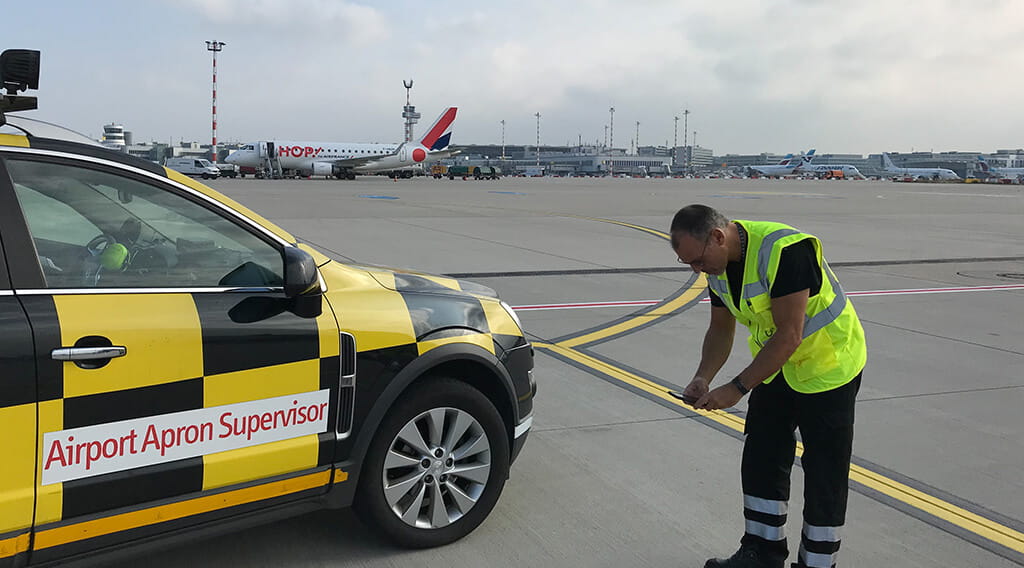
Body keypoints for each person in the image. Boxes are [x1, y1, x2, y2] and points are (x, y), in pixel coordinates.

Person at [670, 204, 866, 568]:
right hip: (776, 369)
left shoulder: (785, 250)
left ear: (717, 237)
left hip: (828, 366)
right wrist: (704, 377)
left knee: (825, 472)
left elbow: (790, 335)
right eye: (689, 265)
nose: (697, 270)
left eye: (697, 260)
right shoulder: (718, 265)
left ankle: (818, 564)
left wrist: (737, 388)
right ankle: (762, 553)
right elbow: (721, 328)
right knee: (762, 456)